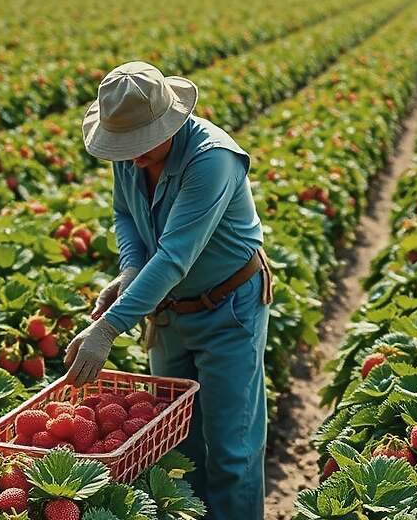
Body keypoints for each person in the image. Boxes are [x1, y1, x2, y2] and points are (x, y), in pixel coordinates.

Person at [64, 61, 274, 520]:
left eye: (140, 143)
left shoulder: (212, 160)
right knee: (178, 444)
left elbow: (176, 257)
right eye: (123, 146)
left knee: (231, 451)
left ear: (170, 121)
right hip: (168, 313)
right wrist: (131, 271)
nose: (132, 156)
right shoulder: (130, 156)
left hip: (228, 309)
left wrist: (110, 326)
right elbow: (125, 216)